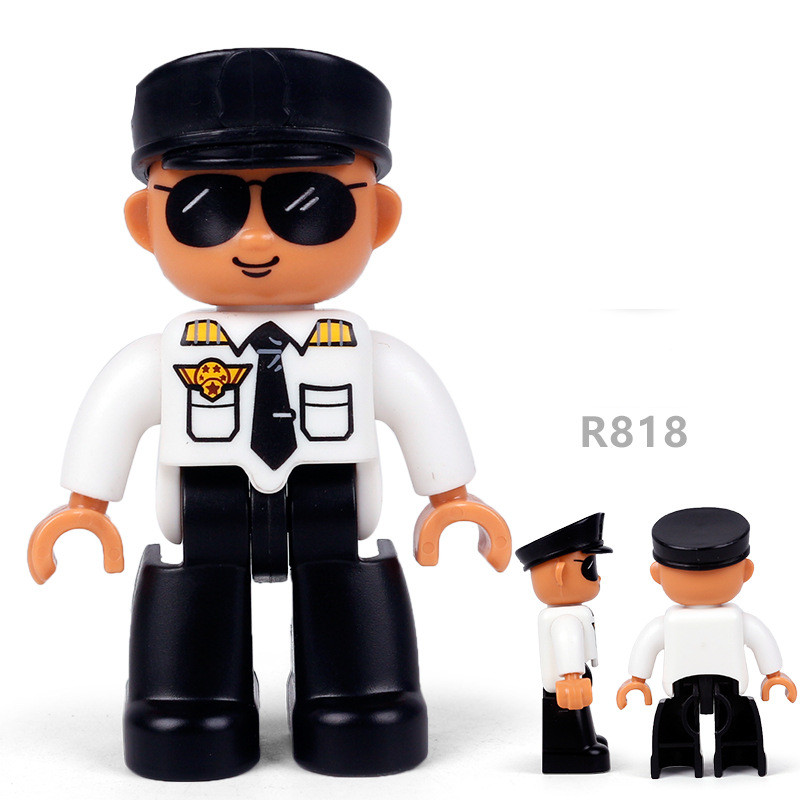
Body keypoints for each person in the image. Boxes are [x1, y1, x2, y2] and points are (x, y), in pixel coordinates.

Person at [27, 48, 511, 781]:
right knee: (194, 605)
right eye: (204, 209)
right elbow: (114, 414)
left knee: (347, 592)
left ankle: (360, 698)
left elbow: (419, 408)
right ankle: (190, 704)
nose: (255, 240)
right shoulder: (161, 357)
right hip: (207, 508)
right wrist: (85, 507)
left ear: (379, 216)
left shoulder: (369, 353)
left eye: (309, 205)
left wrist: (451, 498)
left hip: (330, 506)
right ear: (145, 222)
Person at [617, 507, 796, 778]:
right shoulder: (669, 622)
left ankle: (741, 752)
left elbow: (759, 638)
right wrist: (637, 680)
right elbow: (649, 643)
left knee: (737, 716)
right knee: (676, 719)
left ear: (746, 571)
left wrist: (773, 675)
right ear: (657, 574)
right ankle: (676, 754)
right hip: (681, 684)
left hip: (729, 683)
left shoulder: (736, 619)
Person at [515, 513, 611, 773]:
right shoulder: (564, 618)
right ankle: (575, 750)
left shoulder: (567, 613)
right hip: (566, 683)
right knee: (570, 715)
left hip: (572, 678)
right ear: (560, 574)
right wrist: (571, 677)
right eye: (589, 568)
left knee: (579, 713)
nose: (597, 578)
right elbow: (566, 640)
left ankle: (586, 739)